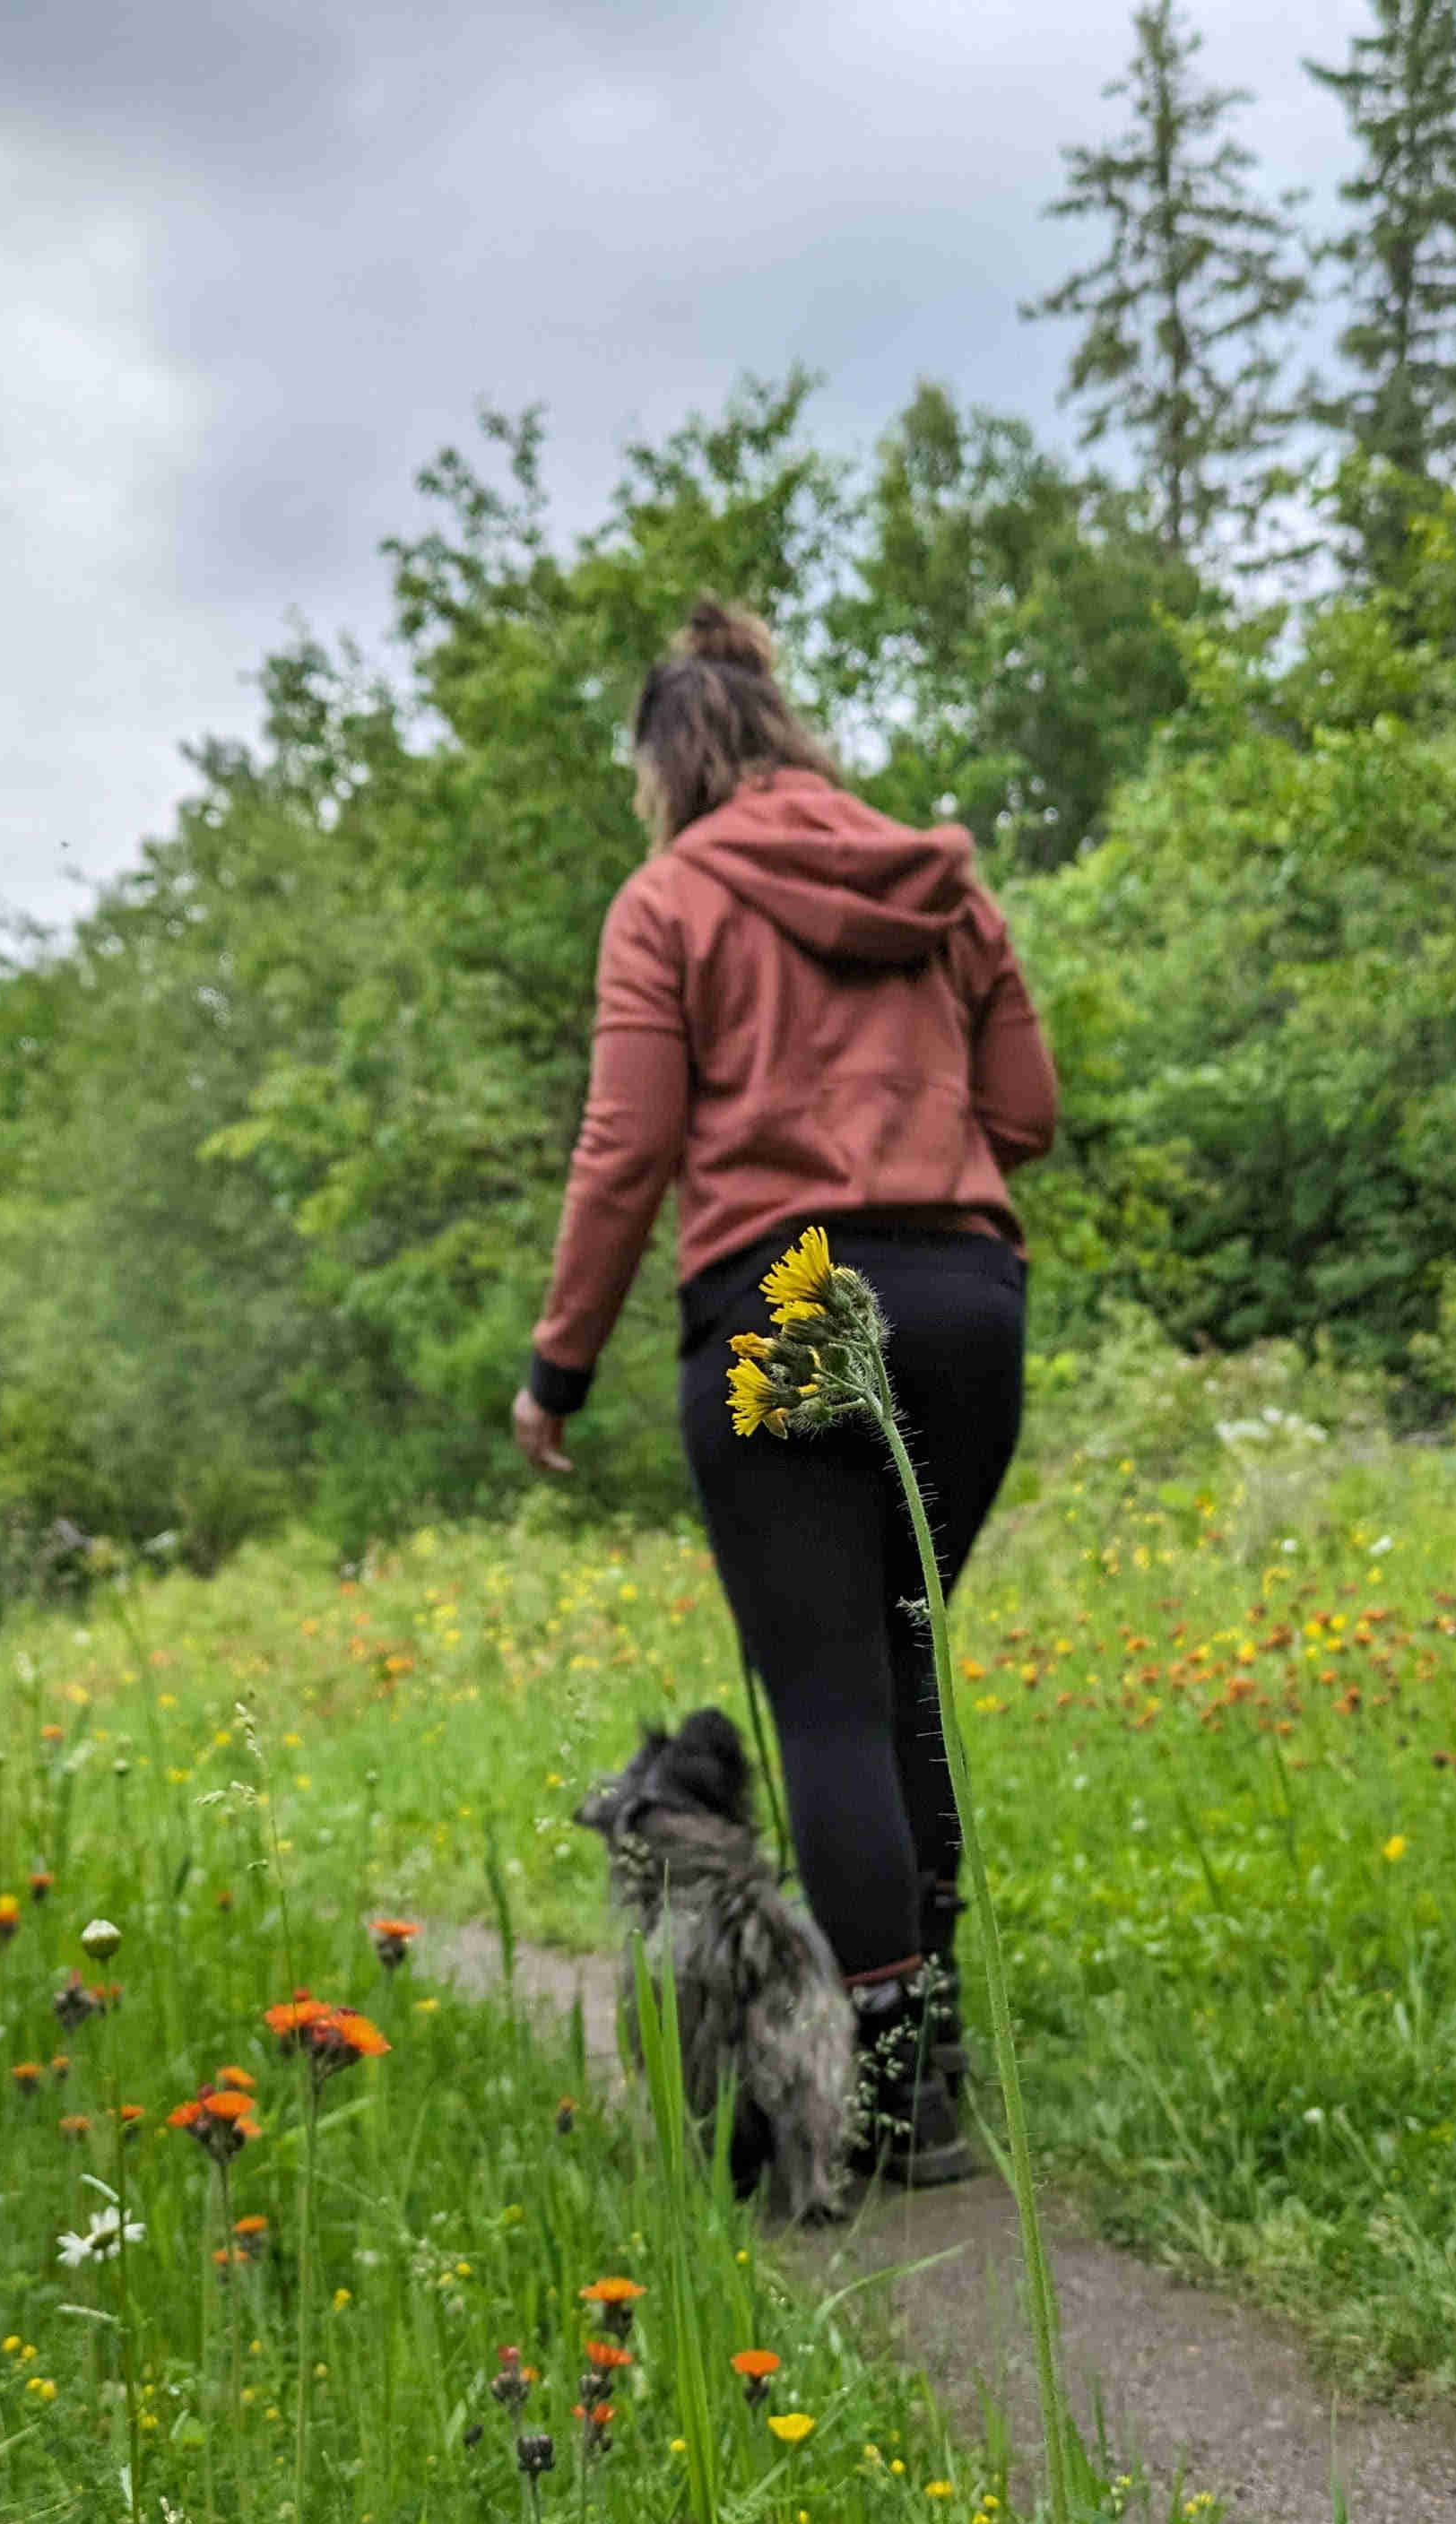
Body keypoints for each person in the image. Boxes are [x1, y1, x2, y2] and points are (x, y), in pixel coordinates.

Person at [511, 599, 1058, 2185]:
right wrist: (915, 1136)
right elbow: (1025, 1109)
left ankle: (890, 2089)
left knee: (827, 1701)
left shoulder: (668, 900)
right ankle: (926, 2054)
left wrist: (560, 1363)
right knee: (899, 1668)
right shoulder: (939, 888)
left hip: (776, 1294)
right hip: (964, 1303)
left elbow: (626, 1149)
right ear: (784, 723)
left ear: (665, 765)